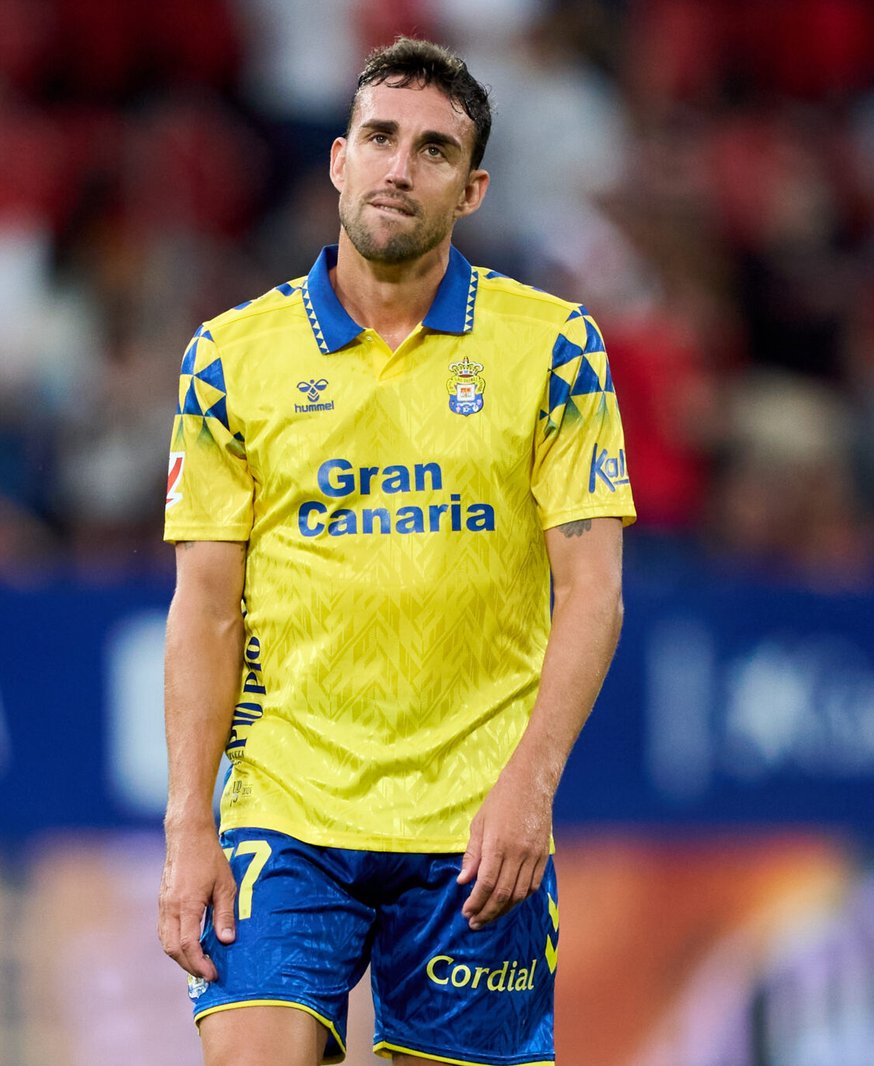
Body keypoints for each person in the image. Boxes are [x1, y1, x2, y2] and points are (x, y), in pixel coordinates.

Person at [157, 37, 634, 1066]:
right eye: (379, 137)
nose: (398, 165)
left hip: (475, 826)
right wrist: (187, 823)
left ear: (471, 189)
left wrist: (530, 789)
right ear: (337, 159)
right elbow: (202, 606)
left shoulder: (554, 348)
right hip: (286, 807)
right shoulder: (229, 358)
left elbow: (591, 591)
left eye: (432, 149)